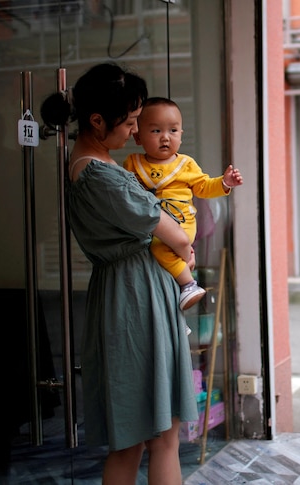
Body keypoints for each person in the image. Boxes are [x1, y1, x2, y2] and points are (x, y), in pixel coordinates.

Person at [40, 63, 198, 485]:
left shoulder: (92, 167)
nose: (134, 131)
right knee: (162, 436)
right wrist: (184, 249)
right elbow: (174, 236)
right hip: (136, 296)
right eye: (129, 122)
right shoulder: (100, 174)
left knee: (130, 438)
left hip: (126, 292)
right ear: (97, 121)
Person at [124, 97, 243, 311]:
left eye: (173, 131)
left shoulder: (185, 164)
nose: (165, 138)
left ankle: (188, 284)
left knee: (160, 250)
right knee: (152, 261)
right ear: (137, 136)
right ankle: (172, 310)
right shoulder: (133, 163)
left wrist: (224, 182)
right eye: (156, 131)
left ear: (181, 135)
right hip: (150, 223)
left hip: (181, 222)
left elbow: (204, 187)